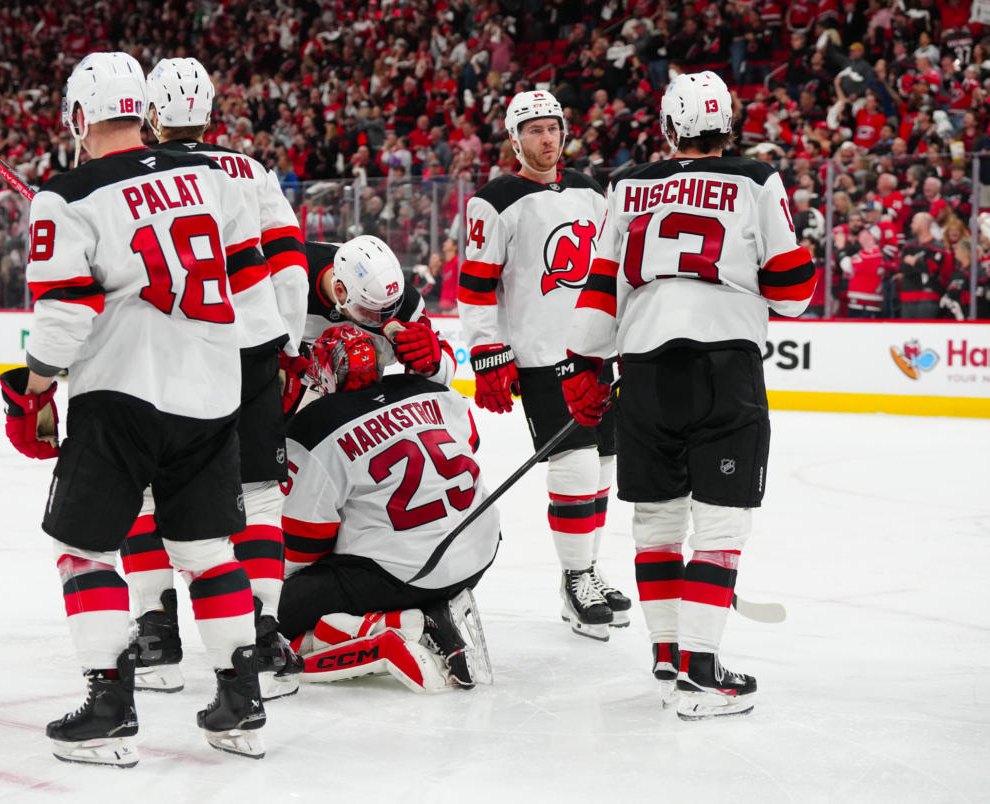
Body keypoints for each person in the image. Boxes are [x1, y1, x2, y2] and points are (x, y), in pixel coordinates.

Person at [0, 52, 268, 767]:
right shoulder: (215, 177)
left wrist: (34, 387)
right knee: (209, 553)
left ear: (80, 118)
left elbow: (65, 313)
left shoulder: (66, 194)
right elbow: (247, 276)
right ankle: (242, 702)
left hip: (121, 394)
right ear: (142, 112)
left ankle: (110, 707)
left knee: (84, 550)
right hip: (212, 392)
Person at [561, 72, 816, 720]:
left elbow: (600, 286)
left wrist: (582, 363)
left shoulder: (628, 182)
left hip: (643, 366)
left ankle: (669, 654)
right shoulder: (755, 179)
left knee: (658, 523)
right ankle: (702, 670)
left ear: (669, 129)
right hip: (723, 364)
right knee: (721, 525)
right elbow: (792, 291)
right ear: (727, 126)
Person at [108, 57, 307, 700]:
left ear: (152, 114)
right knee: (257, 495)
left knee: (143, 492)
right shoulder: (248, 170)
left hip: (166, 353)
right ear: (211, 108)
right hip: (248, 350)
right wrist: (290, 344)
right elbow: (290, 264)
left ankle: (157, 635)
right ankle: (265, 636)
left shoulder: (128, 175)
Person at [457, 90, 628, 643]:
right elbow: (477, 285)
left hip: (595, 351)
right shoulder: (494, 200)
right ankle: (576, 578)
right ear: (514, 139)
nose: (546, 138)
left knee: (603, 464)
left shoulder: (589, 190)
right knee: (574, 467)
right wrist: (487, 350)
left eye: (552, 127)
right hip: (541, 357)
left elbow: (609, 268)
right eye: (533, 130)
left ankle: (587, 569)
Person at [279, 326, 497, 692]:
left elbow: (304, 543)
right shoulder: (436, 391)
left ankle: (399, 627)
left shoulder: (315, 424)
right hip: (480, 547)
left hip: (406, 572)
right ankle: (431, 605)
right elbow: (472, 441)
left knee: (269, 615)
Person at [298, 235, 457, 396]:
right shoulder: (289, 273)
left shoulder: (406, 304)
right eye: (369, 309)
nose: (380, 320)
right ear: (340, 292)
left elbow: (444, 373)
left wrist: (432, 367)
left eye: (389, 308)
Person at [896, 212, 950, 319]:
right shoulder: (908, 245)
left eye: (914, 223)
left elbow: (930, 268)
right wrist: (918, 265)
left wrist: (913, 262)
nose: (911, 225)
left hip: (927, 299)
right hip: (906, 298)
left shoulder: (937, 247)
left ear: (923, 225)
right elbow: (900, 267)